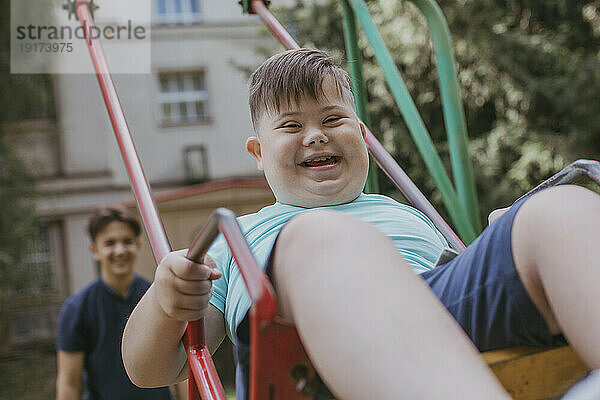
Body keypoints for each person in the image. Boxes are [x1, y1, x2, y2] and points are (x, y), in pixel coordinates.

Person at [121, 49, 600, 399]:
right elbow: (152, 369)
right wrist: (167, 304)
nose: (315, 135)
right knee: (321, 235)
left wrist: (508, 247)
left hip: (438, 316)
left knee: (554, 210)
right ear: (257, 154)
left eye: (334, 119)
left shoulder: (402, 215)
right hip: (304, 354)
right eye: (290, 126)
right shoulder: (241, 238)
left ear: (363, 137)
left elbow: (462, 285)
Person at [56, 206, 174, 400]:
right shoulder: (77, 309)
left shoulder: (160, 297)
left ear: (137, 244)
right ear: (95, 250)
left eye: (127, 241)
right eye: (110, 243)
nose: (119, 251)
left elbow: (182, 374)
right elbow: (69, 382)